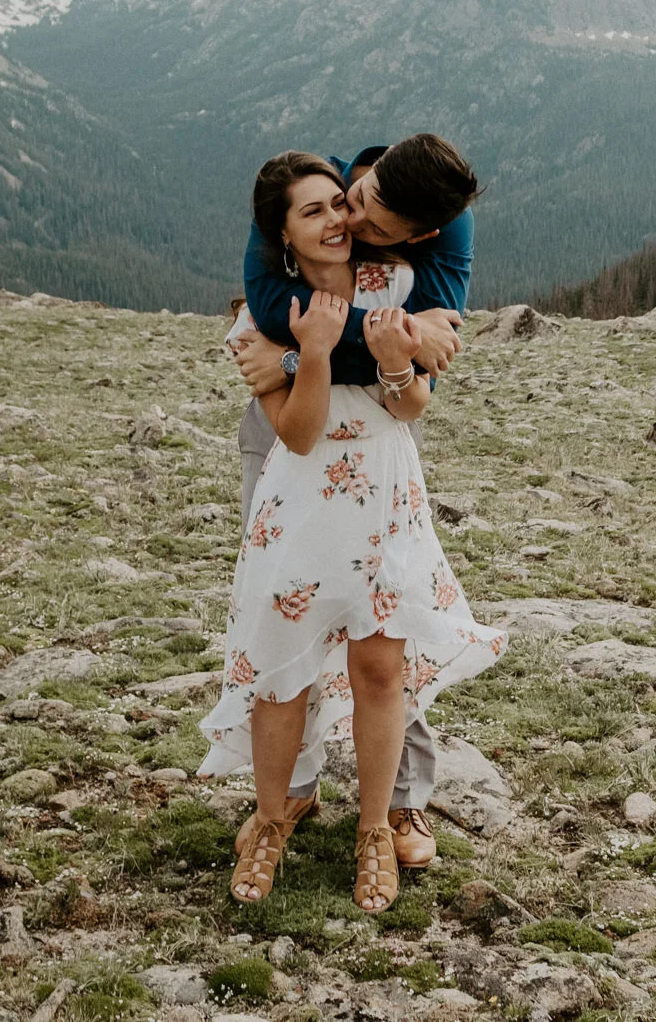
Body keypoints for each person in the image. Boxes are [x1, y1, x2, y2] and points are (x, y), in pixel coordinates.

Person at [200, 152, 503, 914]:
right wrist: (311, 352)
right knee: (282, 664)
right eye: (322, 211)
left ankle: (379, 823)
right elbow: (296, 434)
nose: (344, 218)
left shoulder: (399, 284)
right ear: (284, 237)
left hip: (383, 495)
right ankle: (274, 816)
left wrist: (397, 360)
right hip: (302, 495)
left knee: (380, 665)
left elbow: (410, 403)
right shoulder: (268, 311)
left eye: (346, 205)